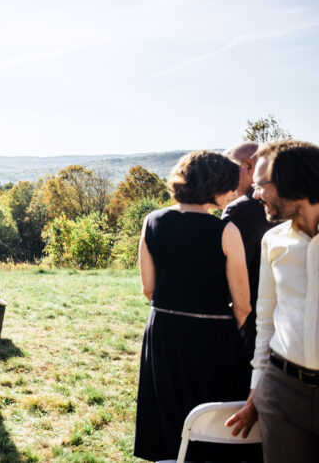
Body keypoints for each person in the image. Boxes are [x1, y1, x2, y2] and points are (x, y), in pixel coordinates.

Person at [133, 150, 254, 462]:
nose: (234, 192)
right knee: (211, 423)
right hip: (213, 337)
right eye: (229, 186)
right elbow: (242, 305)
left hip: (163, 330)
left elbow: (148, 288)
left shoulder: (152, 221)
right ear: (213, 186)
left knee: (168, 415)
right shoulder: (226, 231)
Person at [226, 140, 319, 460]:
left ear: (293, 182)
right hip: (281, 392)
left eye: (261, 185)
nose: (255, 195)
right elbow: (266, 319)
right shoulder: (273, 241)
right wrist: (257, 391)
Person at [222, 142, 272, 354]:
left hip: (251, 318)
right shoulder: (289, 204)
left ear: (249, 166)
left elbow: (228, 270)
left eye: (230, 169)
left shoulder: (239, 209)